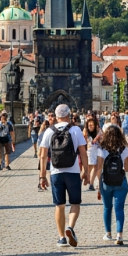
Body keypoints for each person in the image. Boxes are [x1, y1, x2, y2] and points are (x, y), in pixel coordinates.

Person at [39, 104, 89, 247]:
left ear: (56, 116)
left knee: (59, 206)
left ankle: (61, 238)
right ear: (69, 114)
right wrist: (85, 171)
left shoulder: (49, 131)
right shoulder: (75, 130)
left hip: (56, 173)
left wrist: (42, 176)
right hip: (73, 172)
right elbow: (83, 153)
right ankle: (70, 227)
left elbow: (42, 156)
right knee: (75, 203)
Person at [96, 125, 128, 245]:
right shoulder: (123, 148)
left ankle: (108, 233)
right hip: (121, 182)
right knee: (119, 208)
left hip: (106, 182)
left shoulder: (102, 148)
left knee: (107, 207)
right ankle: (119, 235)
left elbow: (99, 168)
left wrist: (99, 184)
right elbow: (126, 168)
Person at [83, 117, 103, 191]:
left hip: (97, 150)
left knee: (96, 166)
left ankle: (91, 184)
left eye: (92, 125)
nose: (90, 126)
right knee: (89, 167)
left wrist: (100, 138)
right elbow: (83, 141)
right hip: (89, 151)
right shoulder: (86, 131)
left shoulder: (98, 131)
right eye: (89, 125)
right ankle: (84, 179)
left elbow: (102, 139)